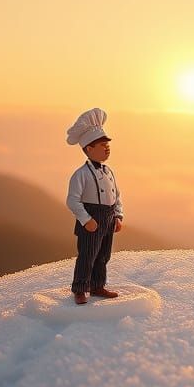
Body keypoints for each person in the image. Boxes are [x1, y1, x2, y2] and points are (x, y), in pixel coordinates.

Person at [65, 108, 124, 304]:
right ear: (89, 149)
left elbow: (117, 195)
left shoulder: (109, 171)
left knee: (103, 255)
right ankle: (80, 289)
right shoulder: (80, 174)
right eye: (102, 145)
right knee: (87, 256)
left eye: (108, 144)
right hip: (91, 217)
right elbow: (72, 200)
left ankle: (97, 285)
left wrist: (118, 216)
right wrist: (86, 219)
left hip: (108, 217)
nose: (107, 148)